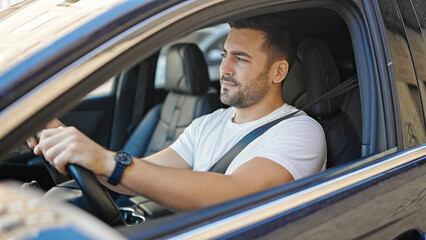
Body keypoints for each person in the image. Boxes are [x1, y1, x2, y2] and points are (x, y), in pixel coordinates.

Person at [27, 14, 326, 211]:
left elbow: (235, 194)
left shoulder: (300, 131)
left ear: (278, 71)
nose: (224, 68)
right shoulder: (207, 124)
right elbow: (132, 175)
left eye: (241, 58)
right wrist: (60, 136)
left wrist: (107, 160)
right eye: (223, 55)